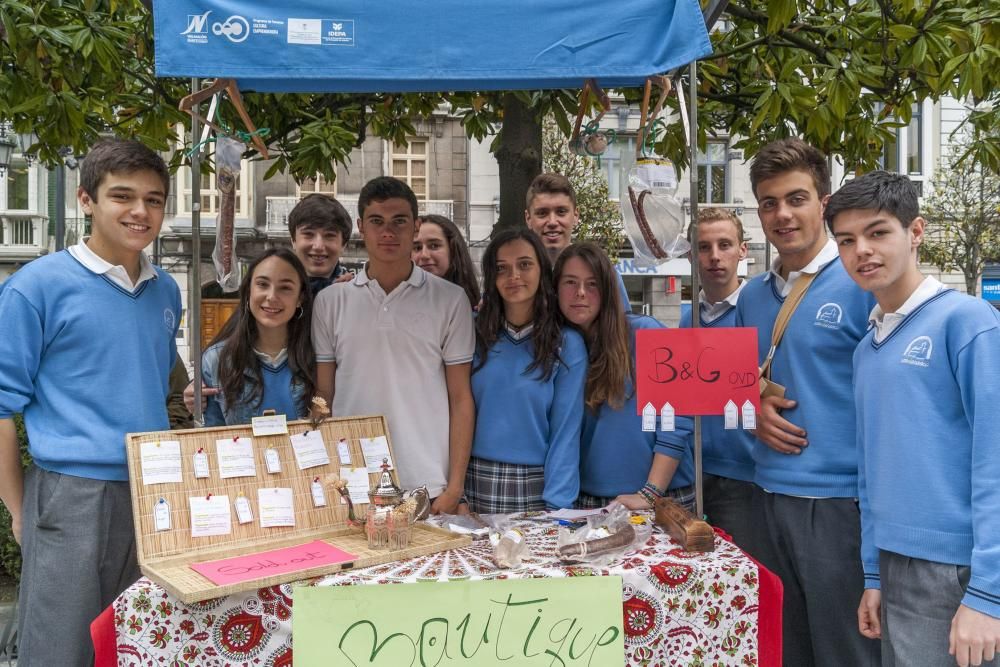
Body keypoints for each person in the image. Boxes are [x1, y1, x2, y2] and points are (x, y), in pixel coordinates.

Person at [0, 139, 180, 666]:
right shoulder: (36, 287)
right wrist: (17, 510)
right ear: (86, 199)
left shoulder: (165, 291)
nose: (140, 211)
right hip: (69, 493)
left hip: (152, 490)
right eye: (122, 196)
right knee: (61, 648)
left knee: (137, 642)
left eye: (154, 199)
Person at [826, 171, 1000, 667]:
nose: (862, 250)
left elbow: (996, 459)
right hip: (894, 564)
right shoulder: (867, 348)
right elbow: (871, 469)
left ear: (915, 232)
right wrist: (874, 575)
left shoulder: (968, 322)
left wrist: (989, 592)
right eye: (846, 240)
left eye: (878, 232)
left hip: (961, 571)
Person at [735, 138, 879, 666]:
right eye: (769, 202)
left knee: (846, 651)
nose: (783, 214)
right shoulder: (751, 296)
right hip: (765, 494)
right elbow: (739, 383)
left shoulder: (862, 281)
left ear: (824, 201)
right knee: (785, 648)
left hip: (840, 502)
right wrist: (751, 408)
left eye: (796, 198)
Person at [313, 177, 475, 514]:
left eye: (399, 221)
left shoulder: (450, 299)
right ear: (360, 227)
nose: (388, 232)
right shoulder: (330, 301)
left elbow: (461, 397)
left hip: (427, 487)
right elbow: (323, 397)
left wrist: (454, 488)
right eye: (377, 222)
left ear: (415, 227)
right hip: (353, 484)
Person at [555, 243, 694, 512]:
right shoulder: (556, 345)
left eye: (592, 283)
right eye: (570, 282)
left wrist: (651, 492)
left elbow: (677, 417)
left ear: (607, 290)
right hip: (588, 499)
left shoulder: (645, 332)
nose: (580, 293)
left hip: (662, 497)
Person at [465, 229, 587, 512]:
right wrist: (456, 489)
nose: (513, 276)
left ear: (542, 270)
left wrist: (558, 507)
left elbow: (566, 433)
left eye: (524, 264)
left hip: (537, 487)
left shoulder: (566, 344)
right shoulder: (472, 333)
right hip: (471, 483)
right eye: (501, 268)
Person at [678, 208, 755, 547]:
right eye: (704, 247)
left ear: (742, 250)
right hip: (689, 475)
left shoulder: (759, 313)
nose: (715, 256)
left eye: (725, 245)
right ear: (692, 254)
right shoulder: (685, 320)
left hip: (745, 477)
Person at [196, 249, 315, 426]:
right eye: (262, 284)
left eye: (285, 288)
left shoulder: (317, 357)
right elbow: (214, 436)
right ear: (248, 291)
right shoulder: (216, 359)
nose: (272, 296)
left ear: (300, 298)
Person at [525, 172, 631, 311]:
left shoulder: (603, 273)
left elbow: (625, 326)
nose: (552, 222)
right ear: (528, 219)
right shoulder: (515, 276)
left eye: (561, 212)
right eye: (542, 213)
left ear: (575, 216)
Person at [288, 193, 355, 297]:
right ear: (293, 241)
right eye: (308, 234)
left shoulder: (358, 295)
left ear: (344, 244)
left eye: (329, 235)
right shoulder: (275, 292)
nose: (318, 246)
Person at [413, 213, 480, 308]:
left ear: (453, 250)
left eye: (434, 246)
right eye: (417, 248)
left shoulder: (481, 310)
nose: (424, 255)